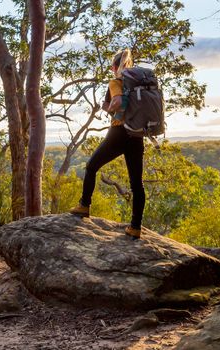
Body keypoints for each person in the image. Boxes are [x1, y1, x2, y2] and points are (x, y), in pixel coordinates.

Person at [70, 48, 145, 239]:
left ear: (114, 66)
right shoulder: (138, 84)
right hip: (136, 135)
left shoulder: (115, 81)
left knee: (91, 166)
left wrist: (111, 108)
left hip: (118, 133)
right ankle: (135, 227)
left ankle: (84, 205)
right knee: (137, 184)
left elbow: (118, 103)